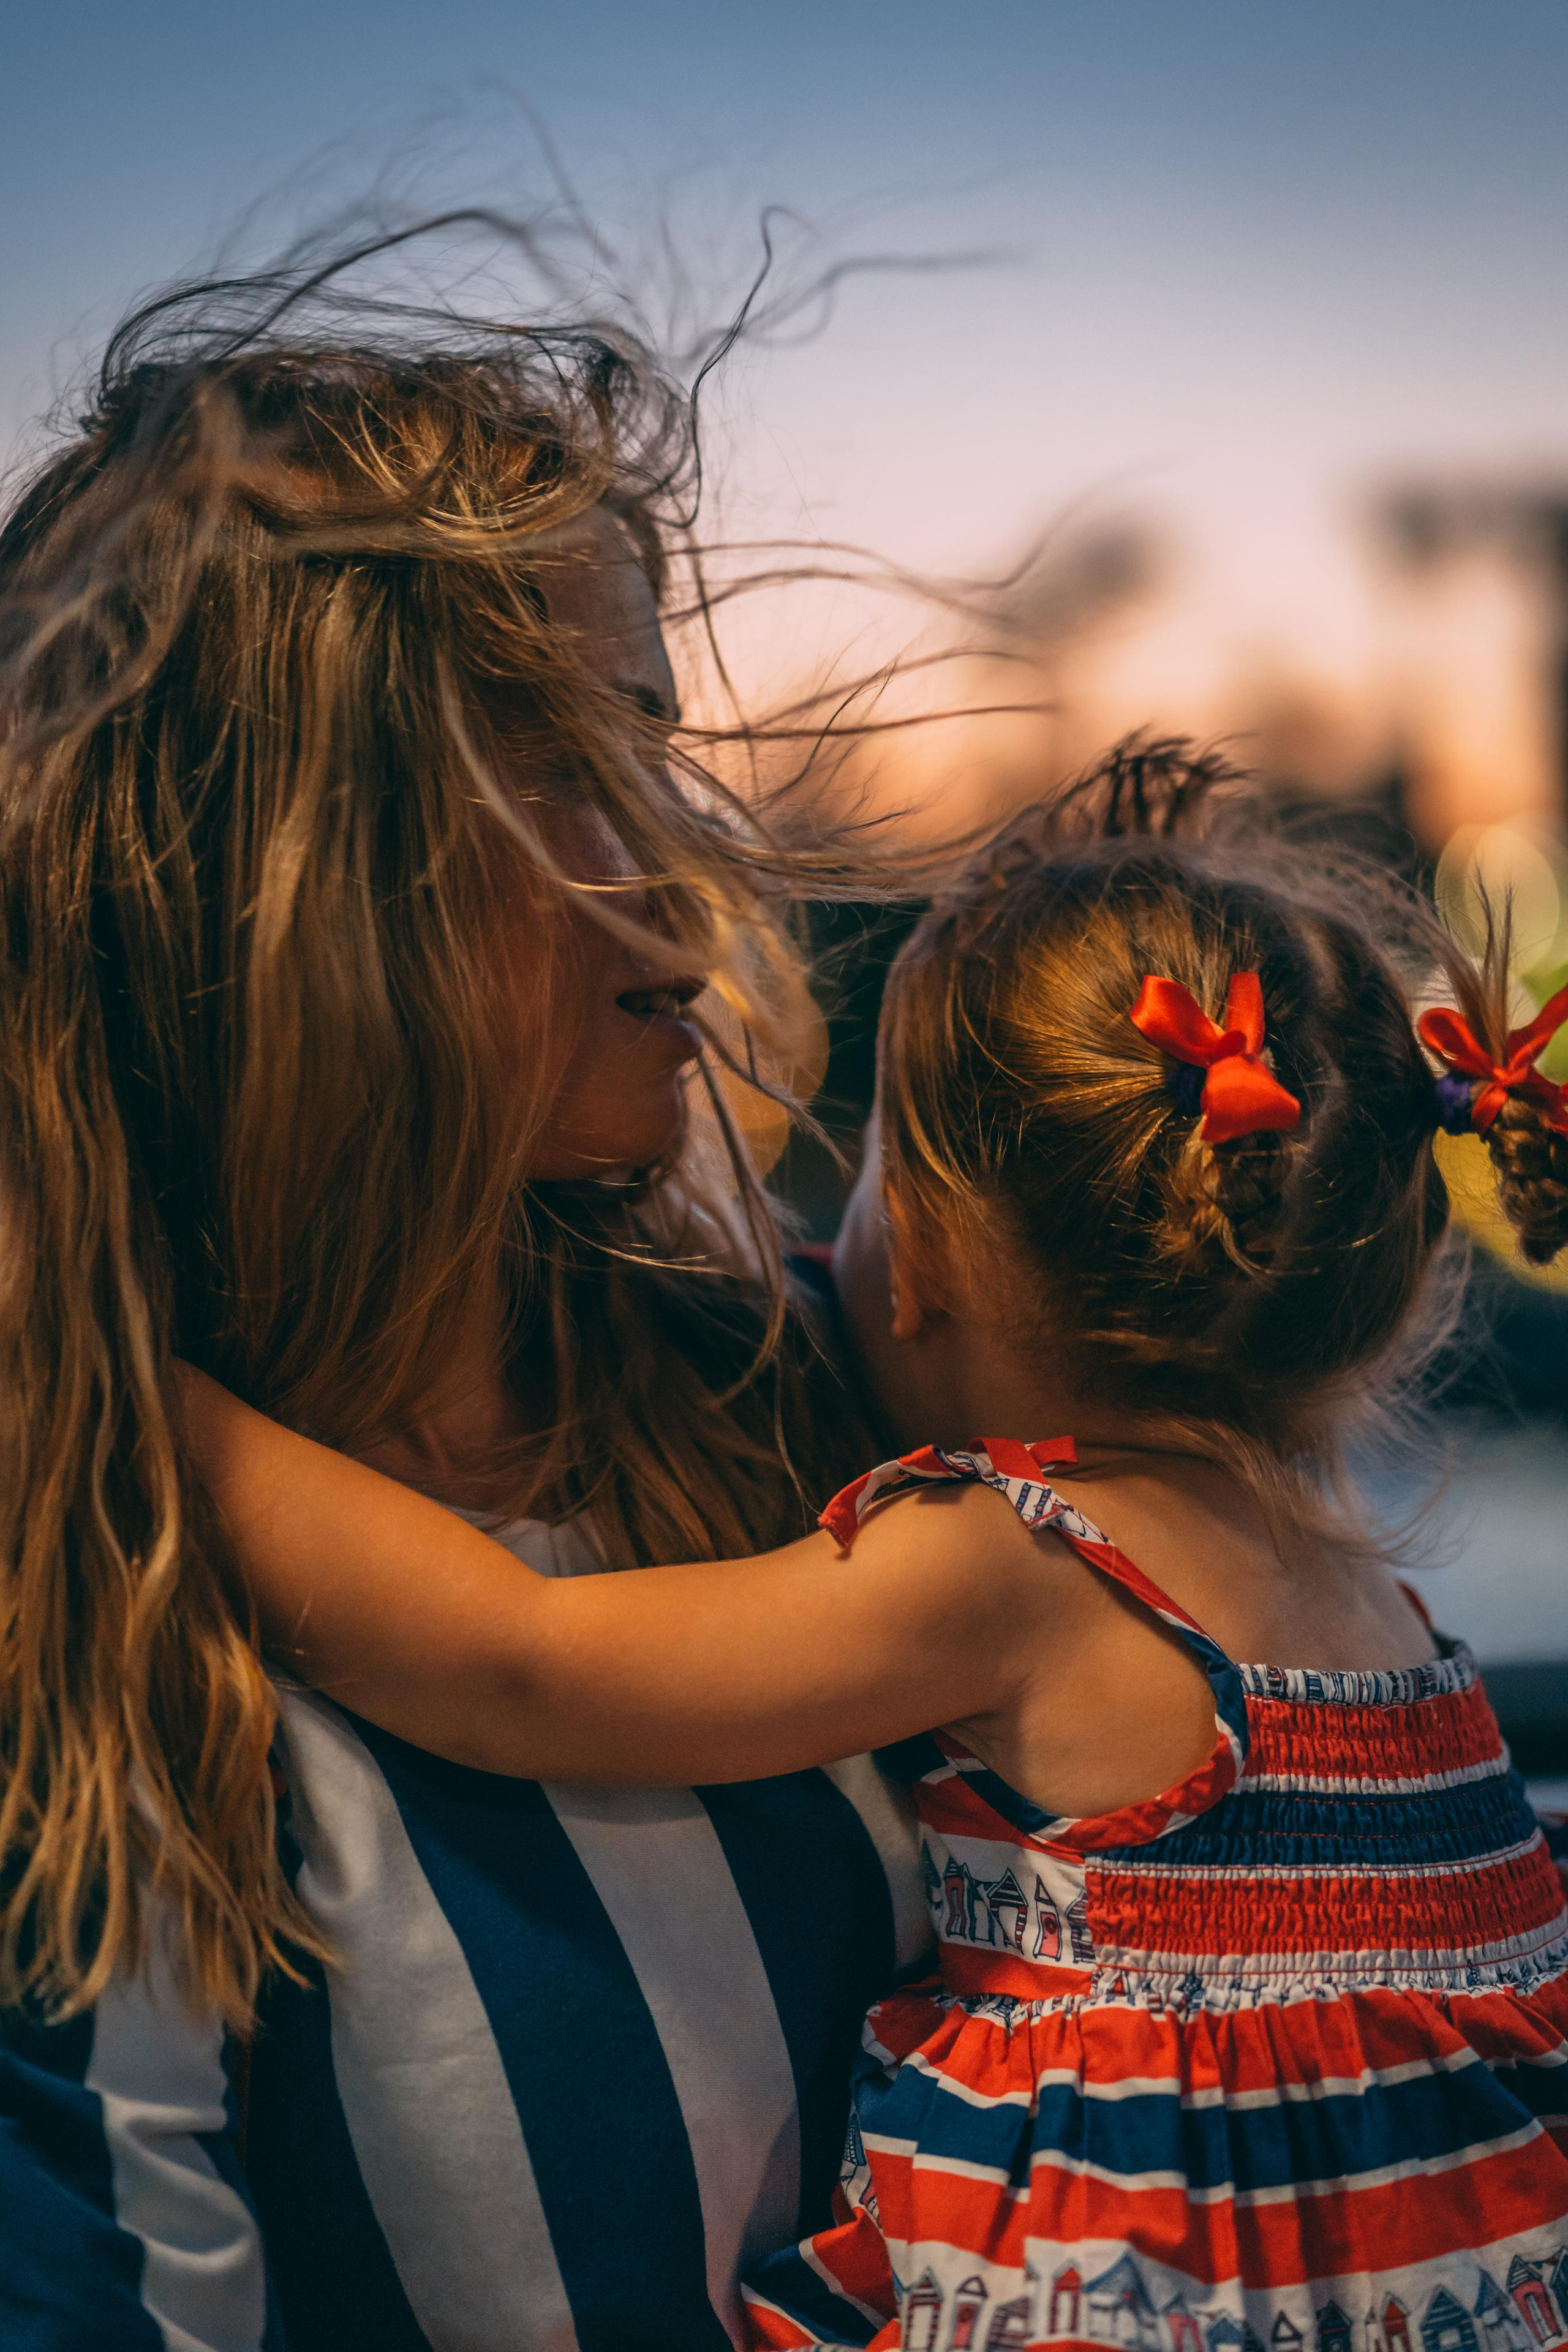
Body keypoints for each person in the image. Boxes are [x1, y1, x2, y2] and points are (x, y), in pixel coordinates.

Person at [183, 746, 1568, 2346]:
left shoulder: (1017, 1560)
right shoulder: (1376, 1604)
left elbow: (524, 1659)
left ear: (920, 1260)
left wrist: (155, 1405)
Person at [0, 243, 927, 2352]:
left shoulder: (814, 1405)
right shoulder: (78, 1601)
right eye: (565, 757)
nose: (685, 858)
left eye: (656, 737)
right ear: (293, 868)